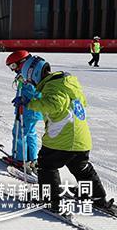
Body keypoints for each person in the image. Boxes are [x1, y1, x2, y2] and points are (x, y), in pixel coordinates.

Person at [12, 54, 115, 212]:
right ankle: (96, 196)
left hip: (62, 139)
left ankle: (50, 200)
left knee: (46, 165)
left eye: (30, 80)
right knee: (81, 167)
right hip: (81, 139)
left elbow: (54, 105)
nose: (31, 83)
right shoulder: (68, 83)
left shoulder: (52, 87)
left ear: (35, 74)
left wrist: (30, 103)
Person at [4, 50, 43, 173]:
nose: (13, 70)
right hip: (35, 110)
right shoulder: (35, 71)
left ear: (21, 62)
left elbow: (33, 91)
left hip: (27, 109)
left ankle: (20, 159)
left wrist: (23, 100)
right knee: (30, 133)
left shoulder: (28, 75)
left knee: (19, 133)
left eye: (14, 66)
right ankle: (33, 158)